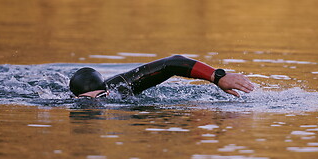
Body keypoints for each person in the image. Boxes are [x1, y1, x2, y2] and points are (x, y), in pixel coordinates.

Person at [69, 55, 254, 99]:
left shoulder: (122, 87)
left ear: (108, 92)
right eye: (87, 102)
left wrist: (217, 76)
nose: (97, 105)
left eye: (101, 98)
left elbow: (171, 63)